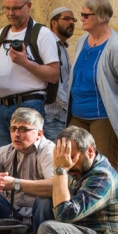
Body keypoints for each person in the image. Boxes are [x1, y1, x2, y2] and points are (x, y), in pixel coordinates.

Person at [67, 0, 118, 169]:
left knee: (102, 169)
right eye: (82, 15)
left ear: (101, 17)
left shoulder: (116, 47)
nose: (82, 19)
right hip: (77, 115)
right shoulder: (81, 41)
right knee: (74, 165)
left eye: (86, 15)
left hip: (103, 119)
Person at [0, 0, 60, 150]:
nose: (10, 13)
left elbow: (54, 74)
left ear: (28, 6)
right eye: (7, 8)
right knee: (3, 161)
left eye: (16, 8)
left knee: (29, 160)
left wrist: (25, 62)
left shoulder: (42, 34)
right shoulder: (2, 33)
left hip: (29, 105)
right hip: (0, 109)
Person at [0, 107, 54, 232]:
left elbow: (55, 186)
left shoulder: (48, 150)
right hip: (11, 213)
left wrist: (15, 184)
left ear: (39, 134)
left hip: (39, 214)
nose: (16, 134)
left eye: (23, 129)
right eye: (13, 129)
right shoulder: (5, 152)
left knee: (45, 200)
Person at [44, 7, 75, 142]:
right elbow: (52, 80)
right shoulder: (50, 44)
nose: (71, 23)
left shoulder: (62, 47)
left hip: (61, 116)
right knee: (55, 160)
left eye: (73, 20)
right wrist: (68, 105)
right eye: (66, 19)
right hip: (52, 117)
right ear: (54, 23)